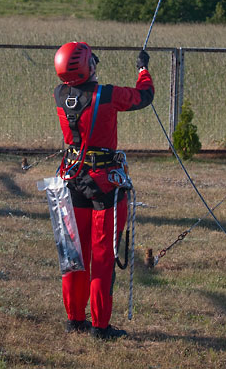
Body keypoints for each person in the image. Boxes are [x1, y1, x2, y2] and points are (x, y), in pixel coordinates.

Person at [53, 41, 153, 340]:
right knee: (102, 256)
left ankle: (74, 319)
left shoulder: (60, 94)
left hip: (72, 179)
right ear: (89, 66)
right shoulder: (107, 95)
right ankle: (100, 326)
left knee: (74, 255)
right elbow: (144, 96)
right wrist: (143, 69)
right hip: (104, 184)